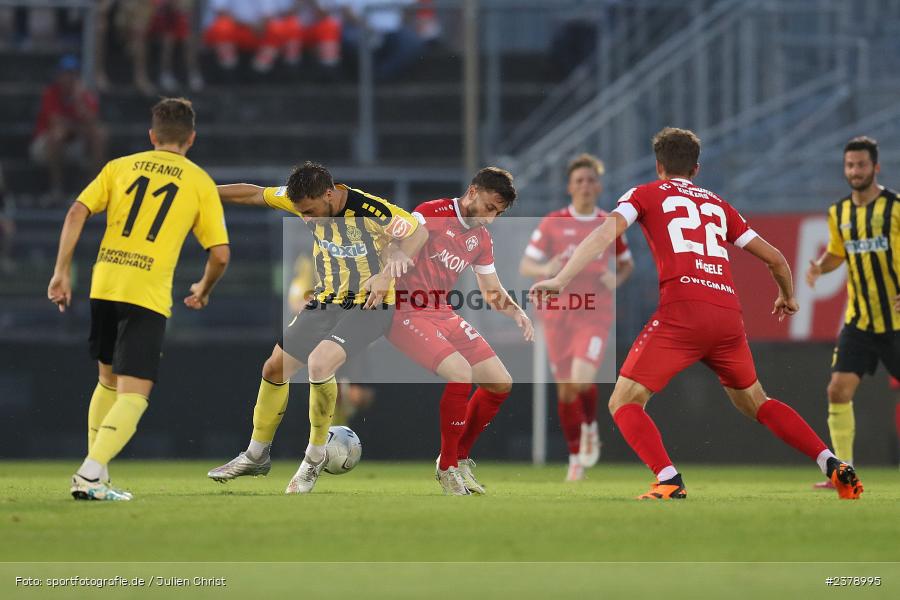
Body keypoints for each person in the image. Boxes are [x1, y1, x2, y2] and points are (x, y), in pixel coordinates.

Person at [530, 127, 863, 500]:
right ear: (696, 169)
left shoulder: (643, 194)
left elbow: (603, 235)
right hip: (726, 315)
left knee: (624, 400)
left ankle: (668, 478)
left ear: (659, 166)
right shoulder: (719, 205)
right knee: (756, 401)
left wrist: (560, 278)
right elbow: (777, 259)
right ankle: (832, 463)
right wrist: (788, 297)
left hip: (681, 312)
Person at [47, 97, 231, 501]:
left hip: (104, 282)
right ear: (191, 139)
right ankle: (91, 474)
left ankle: (97, 475)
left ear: (152, 136)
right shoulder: (198, 180)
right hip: (145, 292)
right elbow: (219, 254)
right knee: (134, 392)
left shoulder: (119, 167)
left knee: (107, 381)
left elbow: (77, 211)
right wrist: (203, 287)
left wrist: (61, 271)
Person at [206, 162, 427, 494]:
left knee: (320, 364)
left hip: (370, 303)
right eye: (300, 212)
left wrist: (386, 275)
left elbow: (418, 231)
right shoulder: (301, 200)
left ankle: (313, 458)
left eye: (309, 211)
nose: (306, 218)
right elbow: (253, 193)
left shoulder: (370, 209)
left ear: (328, 193)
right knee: (274, 367)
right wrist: (202, 191)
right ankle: (256, 454)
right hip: (326, 299)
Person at [387, 167, 531, 495]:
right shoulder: (429, 213)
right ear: (473, 192)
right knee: (461, 373)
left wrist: (515, 309)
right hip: (406, 310)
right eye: (490, 208)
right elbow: (390, 244)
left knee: (500, 383)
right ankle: (447, 467)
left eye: (499, 213)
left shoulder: (481, 238)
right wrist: (394, 254)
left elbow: (491, 290)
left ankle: (459, 457)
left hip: (443, 313)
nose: (491, 218)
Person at [520, 153, 633, 481]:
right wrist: (545, 269)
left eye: (590, 180)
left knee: (583, 379)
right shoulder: (553, 222)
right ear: (570, 187)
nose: (585, 185)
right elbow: (527, 265)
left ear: (598, 187)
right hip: (556, 317)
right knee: (567, 390)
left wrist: (617, 277)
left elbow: (626, 264)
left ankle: (589, 427)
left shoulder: (609, 224)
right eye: (579, 181)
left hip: (594, 313)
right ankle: (575, 457)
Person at [806, 136, 900, 487]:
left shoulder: (895, 208)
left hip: (896, 322)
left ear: (876, 167)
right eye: (849, 165)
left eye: (861, 165)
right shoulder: (839, 213)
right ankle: (843, 473)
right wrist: (818, 267)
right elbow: (837, 252)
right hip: (859, 321)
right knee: (837, 391)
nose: (855, 171)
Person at [31, 55, 107, 201]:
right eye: (66, 74)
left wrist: (79, 101)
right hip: (44, 146)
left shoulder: (83, 95)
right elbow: (56, 123)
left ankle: (94, 190)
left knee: (100, 135)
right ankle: (56, 189)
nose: (69, 78)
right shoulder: (50, 93)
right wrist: (78, 127)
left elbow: (93, 122)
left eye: (73, 74)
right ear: (59, 75)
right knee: (57, 135)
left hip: (73, 142)